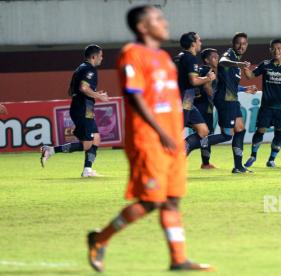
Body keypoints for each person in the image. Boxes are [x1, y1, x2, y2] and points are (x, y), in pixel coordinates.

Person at [86, 5, 212, 272]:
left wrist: (175, 131)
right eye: (157, 19)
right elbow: (135, 95)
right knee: (151, 201)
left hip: (170, 139)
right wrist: (162, 131)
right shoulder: (131, 54)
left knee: (172, 198)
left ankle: (179, 259)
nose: (164, 23)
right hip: (149, 139)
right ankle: (100, 238)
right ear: (143, 27)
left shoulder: (165, 59)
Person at [40, 44, 109, 177]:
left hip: (84, 106)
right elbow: (83, 88)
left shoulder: (80, 69)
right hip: (83, 107)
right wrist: (99, 96)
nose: (102, 58)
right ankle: (50, 150)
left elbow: (72, 90)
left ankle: (87, 170)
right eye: (100, 55)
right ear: (94, 56)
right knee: (87, 144)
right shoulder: (90, 69)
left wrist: (93, 93)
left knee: (96, 138)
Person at [243, 39, 281, 168]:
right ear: (270, 50)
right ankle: (253, 156)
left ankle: (271, 159)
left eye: (279, 48)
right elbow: (250, 76)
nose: (276, 51)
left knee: (279, 133)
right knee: (260, 130)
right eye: (273, 48)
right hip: (266, 107)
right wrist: (244, 68)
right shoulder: (265, 64)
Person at [174, 32, 230, 160]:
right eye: (199, 40)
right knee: (176, 131)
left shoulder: (178, 57)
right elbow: (193, 81)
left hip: (184, 97)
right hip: (185, 98)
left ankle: (184, 146)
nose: (200, 42)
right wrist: (208, 78)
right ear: (193, 43)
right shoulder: (190, 58)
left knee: (203, 131)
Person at [215, 32, 257, 173]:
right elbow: (222, 62)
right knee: (227, 135)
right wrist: (238, 63)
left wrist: (245, 88)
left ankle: (238, 167)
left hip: (232, 98)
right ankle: (194, 143)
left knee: (240, 129)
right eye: (238, 43)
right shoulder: (230, 55)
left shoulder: (236, 61)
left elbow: (231, 85)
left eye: (244, 43)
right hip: (225, 99)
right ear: (233, 44)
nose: (241, 46)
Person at [194, 48, 219, 169]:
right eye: (214, 57)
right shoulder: (209, 72)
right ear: (206, 60)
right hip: (204, 107)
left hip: (191, 106)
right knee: (205, 135)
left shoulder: (198, 70)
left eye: (217, 57)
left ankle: (205, 163)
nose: (217, 59)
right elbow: (209, 91)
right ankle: (205, 163)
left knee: (202, 135)